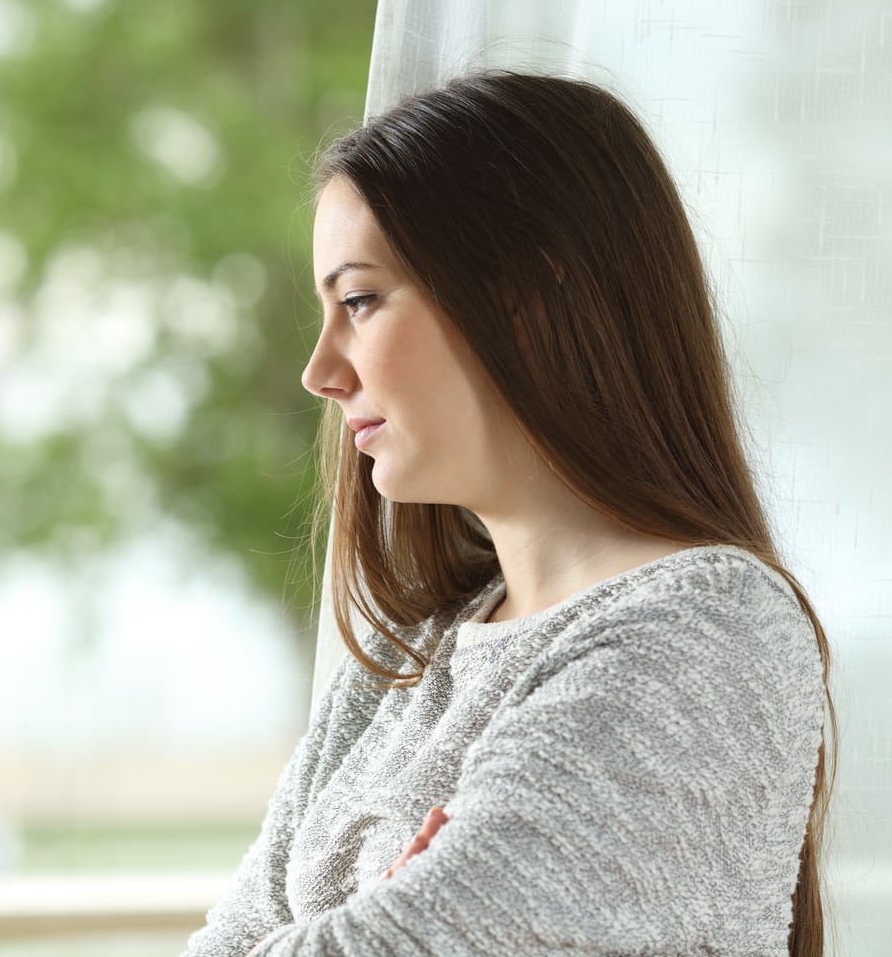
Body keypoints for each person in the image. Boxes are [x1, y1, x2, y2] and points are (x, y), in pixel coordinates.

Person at [182, 72, 836, 957]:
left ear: (528, 295)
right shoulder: (398, 667)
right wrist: (382, 915)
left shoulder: (708, 632)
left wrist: (378, 923)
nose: (321, 370)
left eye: (361, 301)